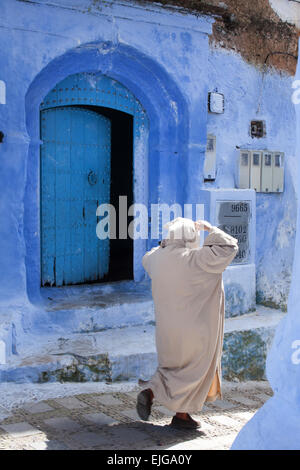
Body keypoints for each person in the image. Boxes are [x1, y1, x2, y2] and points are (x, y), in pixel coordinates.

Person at [136, 217, 239, 430]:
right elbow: (229, 246)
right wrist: (210, 228)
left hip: (167, 331)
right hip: (196, 330)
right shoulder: (197, 259)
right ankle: (179, 413)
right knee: (192, 372)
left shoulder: (157, 260)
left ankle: (161, 399)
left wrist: (166, 244)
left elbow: (149, 256)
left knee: (171, 368)